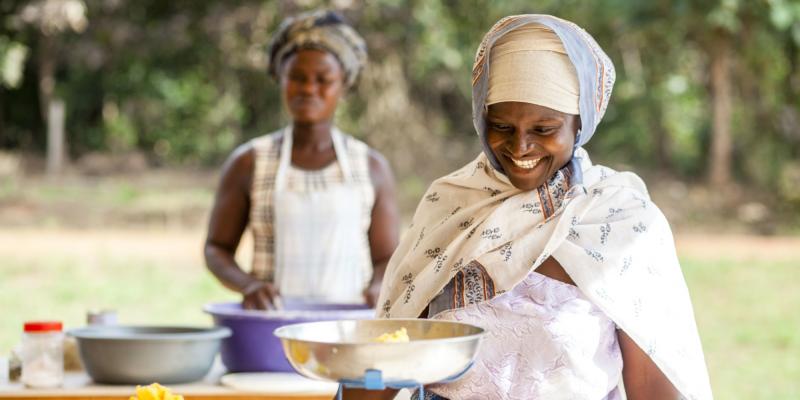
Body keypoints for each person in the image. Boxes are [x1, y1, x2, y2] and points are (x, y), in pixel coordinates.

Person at [344, 14, 712, 400]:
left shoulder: (621, 222)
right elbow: (391, 353)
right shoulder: (450, 207)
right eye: (501, 126)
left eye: (544, 129)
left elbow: (653, 389)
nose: (520, 148)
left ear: (579, 122)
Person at [205, 10, 399, 310]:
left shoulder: (370, 165)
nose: (309, 89)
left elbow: (387, 257)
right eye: (297, 77)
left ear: (344, 84)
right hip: (272, 326)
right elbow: (216, 249)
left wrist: (377, 286)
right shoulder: (250, 162)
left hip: (349, 326)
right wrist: (249, 285)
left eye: (323, 80)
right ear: (280, 79)